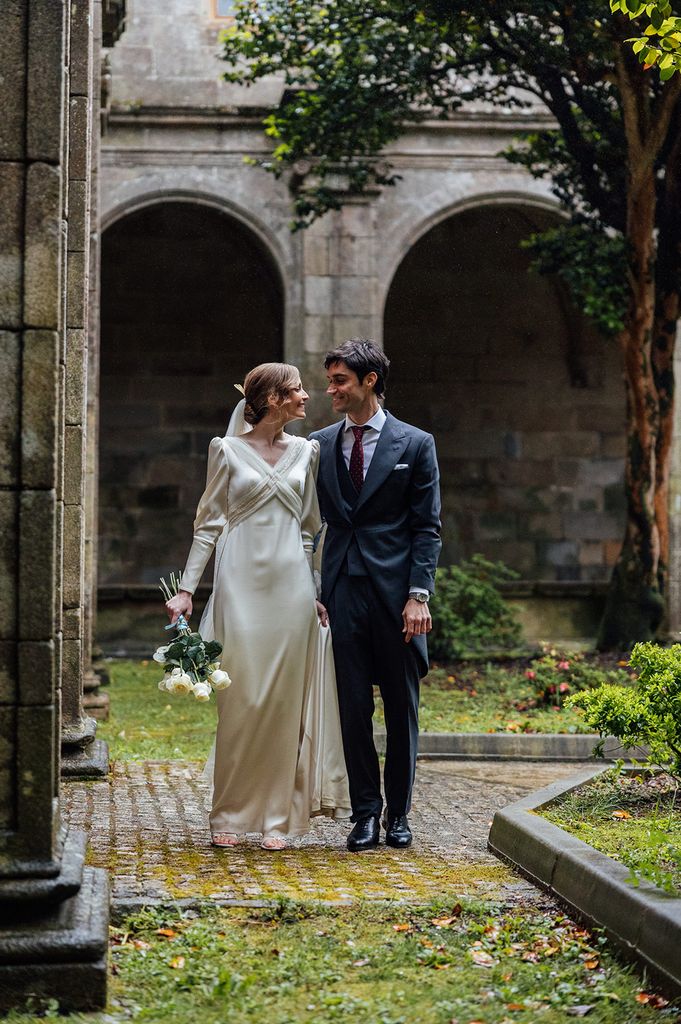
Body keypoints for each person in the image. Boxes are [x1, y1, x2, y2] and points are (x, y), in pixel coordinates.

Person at [166, 363, 351, 850]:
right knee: (242, 700)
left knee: (283, 704)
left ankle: (279, 818)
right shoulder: (225, 450)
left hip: (291, 589)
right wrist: (187, 589)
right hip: (240, 587)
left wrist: (315, 592)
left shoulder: (307, 452)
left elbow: (313, 527)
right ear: (272, 398)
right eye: (296, 390)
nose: (307, 396)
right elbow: (208, 525)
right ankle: (227, 812)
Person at [309, 340, 441, 852]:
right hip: (342, 592)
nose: (331, 390)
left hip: (397, 598)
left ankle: (399, 815)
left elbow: (427, 527)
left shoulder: (415, 444)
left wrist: (418, 594)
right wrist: (313, 587)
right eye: (330, 380)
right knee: (352, 707)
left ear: (370, 381)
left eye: (341, 380)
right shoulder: (320, 444)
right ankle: (365, 813)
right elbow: (311, 522)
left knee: (402, 709)